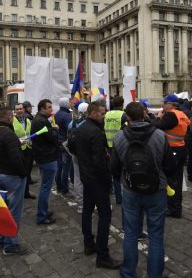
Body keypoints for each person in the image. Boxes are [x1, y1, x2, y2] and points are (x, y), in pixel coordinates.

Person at [111, 102, 175, 278]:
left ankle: (129, 271)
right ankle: (155, 274)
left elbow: (114, 168)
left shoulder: (119, 137)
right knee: (156, 235)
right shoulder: (160, 136)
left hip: (131, 190)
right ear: (145, 114)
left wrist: (124, 179)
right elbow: (170, 165)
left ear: (128, 118)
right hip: (156, 190)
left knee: (131, 233)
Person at [74, 101, 120, 270]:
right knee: (105, 215)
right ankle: (103, 255)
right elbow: (99, 161)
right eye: (101, 113)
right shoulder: (96, 132)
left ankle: (89, 243)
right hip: (96, 179)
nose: (104, 115)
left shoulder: (82, 128)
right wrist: (107, 180)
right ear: (92, 113)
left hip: (86, 177)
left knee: (87, 210)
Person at [0, 106, 28, 255]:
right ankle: (10, 245)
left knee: (3, 210)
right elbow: (16, 158)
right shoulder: (8, 134)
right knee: (14, 212)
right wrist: (23, 173)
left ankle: (1, 239)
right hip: (12, 177)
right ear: (9, 117)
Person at [153, 94, 190, 218]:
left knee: (171, 180)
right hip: (180, 148)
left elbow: (158, 126)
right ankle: (176, 207)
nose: (163, 105)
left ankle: (173, 208)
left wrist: (158, 118)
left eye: (164, 103)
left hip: (172, 149)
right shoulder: (182, 114)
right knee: (177, 179)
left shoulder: (171, 115)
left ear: (170, 104)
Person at [31, 99, 59, 225]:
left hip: (43, 156)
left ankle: (44, 211)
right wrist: (55, 129)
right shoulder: (42, 121)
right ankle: (41, 215)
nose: (51, 110)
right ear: (42, 108)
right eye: (49, 107)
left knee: (45, 186)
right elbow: (52, 138)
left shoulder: (38, 119)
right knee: (46, 187)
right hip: (47, 157)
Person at [104, 95, 125, 205]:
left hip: (109, 146)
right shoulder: (123, 115)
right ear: (122, 104)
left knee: (113, 171)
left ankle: (117, 196)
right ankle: (124, 196)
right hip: (121, 146)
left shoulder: (106, 114)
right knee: (123, 171)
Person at [68, 102, 88, 214]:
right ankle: (88, 203)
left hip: (74, 153)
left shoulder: (72, 123)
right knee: (88, 179)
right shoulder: (87, 124)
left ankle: (80, 204)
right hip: (85, 155)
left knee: (77, 178)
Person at [13, 102, 36, 199]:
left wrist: (31, 141)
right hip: (19, 150)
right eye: (17, 109)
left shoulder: (28, 120)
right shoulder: (12, 122)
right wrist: (17, 141)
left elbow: (30, 133)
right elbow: (10, 136)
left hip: (28, 149)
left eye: (21, 109)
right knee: (19, 173)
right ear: (14, 111)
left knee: (27, 172)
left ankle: (26, 192)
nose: (19, 111)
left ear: (23, 109)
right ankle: (19, 192)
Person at [54, 97, 73, 196]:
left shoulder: (57, 114)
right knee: (66, 167)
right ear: (66, 104)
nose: (71, 104)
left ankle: (58, 187)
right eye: (69, 102)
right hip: (65, 143)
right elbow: (70, 129)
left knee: (60, 166)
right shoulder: (67, 116)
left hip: (58, 142)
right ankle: (65, 189)